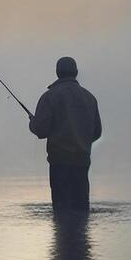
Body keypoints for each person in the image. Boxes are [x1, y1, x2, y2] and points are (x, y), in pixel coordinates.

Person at [29, 57, 102, 213]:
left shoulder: (49, 97)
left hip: (59, 162)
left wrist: (33, 122)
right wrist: (81, 143)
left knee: (61, 211)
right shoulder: (90, 98)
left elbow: (41, 130)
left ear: (57, 73)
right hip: (82, 161)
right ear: (76, 72)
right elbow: (97, 132)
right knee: (81, 210)